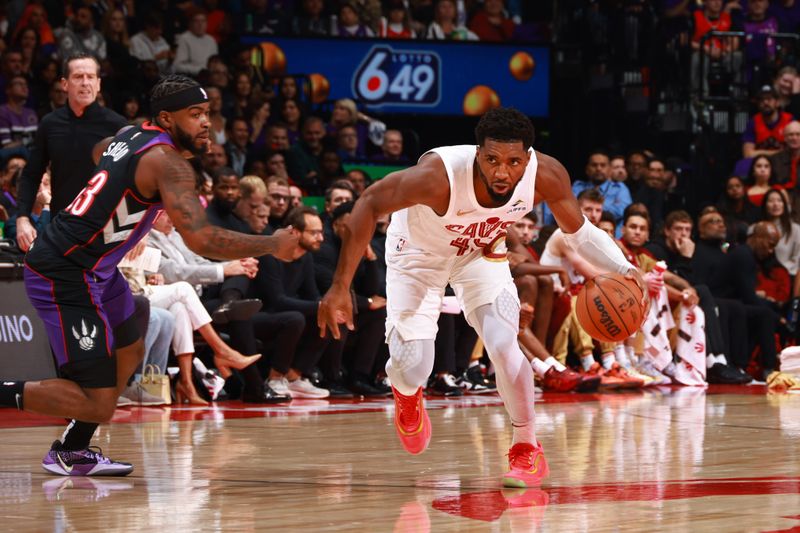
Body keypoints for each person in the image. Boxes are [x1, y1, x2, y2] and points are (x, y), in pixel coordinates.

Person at [318, 107, 643, 487]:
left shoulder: (546, 174)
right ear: (477, 152)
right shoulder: (438, 177)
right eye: (491, 160)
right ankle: (406, 393)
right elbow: (369, 203)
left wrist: (625, 270)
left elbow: (580, 232)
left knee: (505, 345)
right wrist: (341, 285)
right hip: (418, 255)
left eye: (513, 162)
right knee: (412, 367)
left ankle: (526, 447)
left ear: (528, 158)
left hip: (479, 253)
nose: (502, 172)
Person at [0, 75, 297, 476]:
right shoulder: (169, 164)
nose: (206, 123)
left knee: (130, 351)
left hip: (97, 269)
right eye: (194, 115)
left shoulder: (132, 133)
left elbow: (101, 152)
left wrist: (127, 202)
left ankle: (72, 449)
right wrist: (271, 244)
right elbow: (202, 237)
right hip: (66, 270)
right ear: (166, 119)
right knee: (100, 403)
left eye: (207, 113)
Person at [15, 54, 128, 253]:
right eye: (78, 77)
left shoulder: (117, 125)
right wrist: (22, 218)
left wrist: (135, 229)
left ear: (99, 83)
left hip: (106, 228)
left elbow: (132, 181)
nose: (85, 83)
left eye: (90, 77)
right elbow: (31, 175)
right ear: (65, 84)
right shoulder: (50, 123)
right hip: (62, 226)